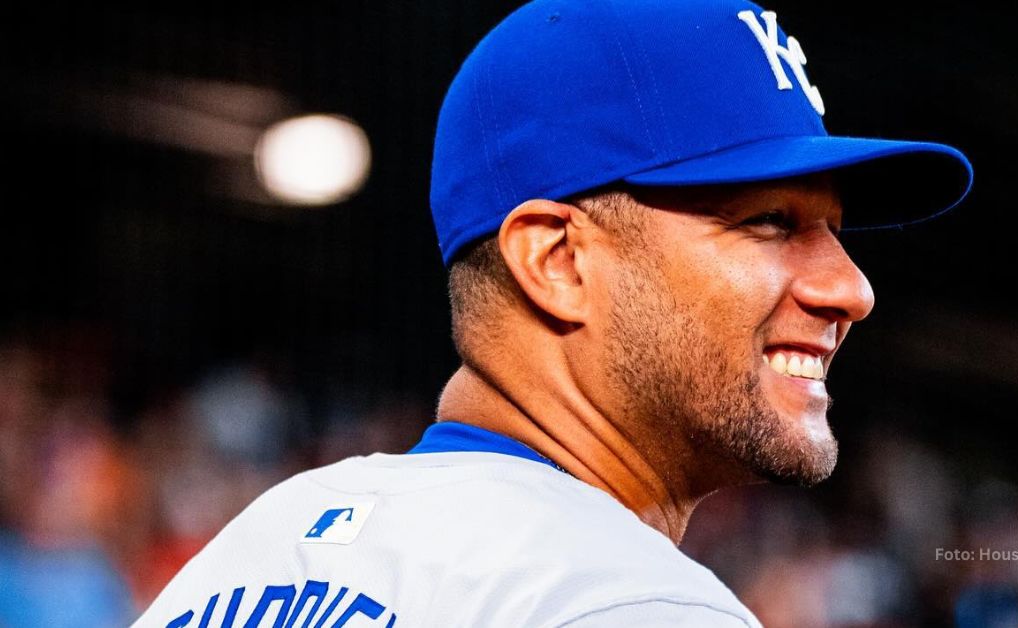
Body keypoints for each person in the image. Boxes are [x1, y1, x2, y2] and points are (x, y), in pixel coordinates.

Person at [135, 0, 972, 626]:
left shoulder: (260, 549)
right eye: (769, 222)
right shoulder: (622, 601)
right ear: (557, 261)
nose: (849, 288)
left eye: (831, 229)